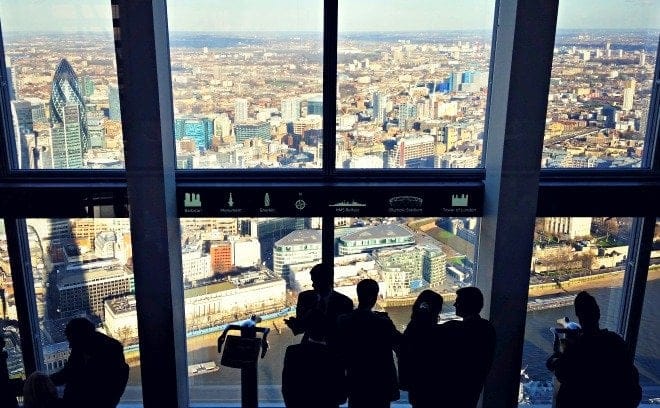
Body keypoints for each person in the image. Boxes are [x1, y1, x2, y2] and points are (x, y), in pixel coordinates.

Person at [546, 291, 641, 408]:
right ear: (598, 313)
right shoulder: (616, 341)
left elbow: (560, 373)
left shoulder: (576, 348)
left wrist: (560, 353)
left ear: (578, 316)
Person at [336, 278, 401, 408]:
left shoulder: (343, 321)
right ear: (375, 297)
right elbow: (400, 347)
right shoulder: (383, 323)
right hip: (380, 384)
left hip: (355, 382)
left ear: (358, 295)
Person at [49, 317, 129, 408]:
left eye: (72, 341)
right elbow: (69, 372)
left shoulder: (104, 355)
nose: (70, 346)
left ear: (82, 338)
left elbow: (72, 375)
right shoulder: (83, 345)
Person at [438, 287, 496, 408]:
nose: (454, 304)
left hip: (453, 389)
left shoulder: (455, 328)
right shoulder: (488, 328)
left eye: (458, 301)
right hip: (473, 387)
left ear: (466, 304)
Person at [281, 310, 347, 408]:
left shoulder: (292, 352)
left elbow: (287, 389)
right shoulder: (335, 356)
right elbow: (341, 397)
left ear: (307, 330)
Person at [284, 263, 353, 346]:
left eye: (315, 281)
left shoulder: (344, 302)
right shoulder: (304, 297)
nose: (312, 285)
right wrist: (295, 325)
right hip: (312, 345)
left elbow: (344, 331)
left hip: (333, 349)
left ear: (326, 281)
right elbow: (300, 328)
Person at [398, 290, 444, 408]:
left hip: (416, 382)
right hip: (435, 383)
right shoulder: (440, 331)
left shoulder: (414, 327)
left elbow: (403, 350)